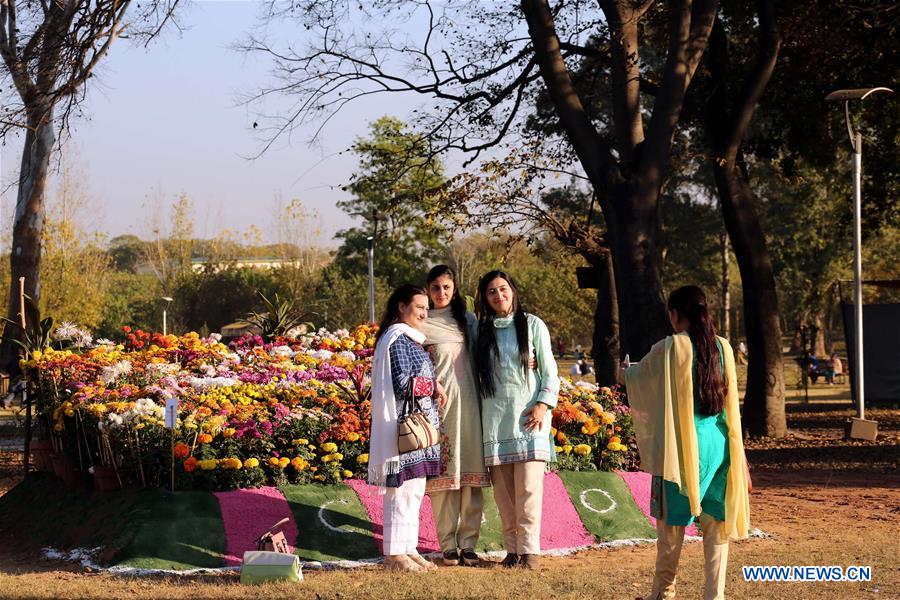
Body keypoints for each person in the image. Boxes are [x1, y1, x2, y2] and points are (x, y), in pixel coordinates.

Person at [623, 285, 750, 600]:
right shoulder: (724, 348)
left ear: (675, 314)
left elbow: (638, 378)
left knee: (671, 528)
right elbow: (731, 406)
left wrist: (626, 371)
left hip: (680, 449)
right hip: (720, 446)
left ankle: (662, 594)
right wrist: (741, 458)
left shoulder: (670, 347)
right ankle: (714, 595)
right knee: (716, 526)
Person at [474, 270, 559, 570]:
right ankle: (512, 551)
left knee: (529, 490)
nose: (499, 295)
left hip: (529, 420)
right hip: (495, 423)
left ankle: (530, 552)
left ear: (513, 290)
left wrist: (542, 405)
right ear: (484, 298)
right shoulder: (481, 331)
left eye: (503, 289)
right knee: (505, 496)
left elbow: (550, 371)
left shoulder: (532, 325)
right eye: (491, 292)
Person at [368, 284, 446, 572]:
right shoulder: (397, 339)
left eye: (427, 308)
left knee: (414, 490)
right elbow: (402, 384)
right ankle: (394, 554)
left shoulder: (412, 340)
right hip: (401, 430)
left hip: (418, 430)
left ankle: (408, 548)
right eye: (419, 307)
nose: (424, 313)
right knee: (399, 491)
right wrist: (433, 386)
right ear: (401, 307)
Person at [420, 265, 490, 567]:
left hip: (471, 405)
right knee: (444, 478)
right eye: (435, 287)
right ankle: (447, 544)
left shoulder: (468, 321)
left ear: (455, 288)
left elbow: (487, 358)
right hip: (439, 409)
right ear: (428, 290)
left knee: (471, 477)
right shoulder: (421, 323)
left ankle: (469, 543)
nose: (441, 293)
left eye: (447, 287)